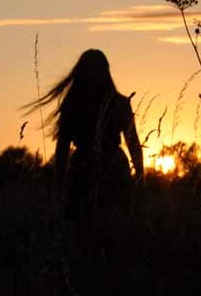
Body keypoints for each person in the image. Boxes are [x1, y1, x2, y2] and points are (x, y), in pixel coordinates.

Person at [26, 48, 144, 222]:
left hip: (89, 169)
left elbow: (62, 149)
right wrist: (141, 181)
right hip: (100, 169)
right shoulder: (115, 103)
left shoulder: (75, 104)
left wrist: (59, 185)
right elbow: (134, 145)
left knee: (90, 227)